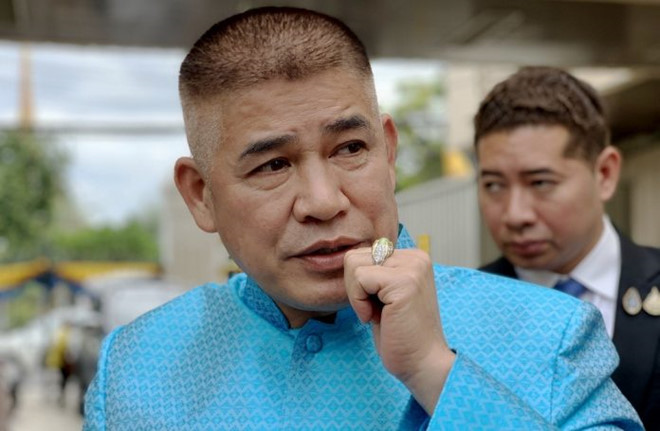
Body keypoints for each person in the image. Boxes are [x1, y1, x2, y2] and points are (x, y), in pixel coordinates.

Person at [83, 8, 641, 429]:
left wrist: (435, 373)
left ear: (388, 152)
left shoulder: (548, 335)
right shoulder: (138, 368)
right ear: (200, 195)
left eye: (350, 149)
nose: (324, 201)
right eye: (273, 165)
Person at [474, 66, 660, 429]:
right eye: (494, 185)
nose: (515, 215)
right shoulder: (461, 311)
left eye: (540, 182)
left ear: (604, 174)